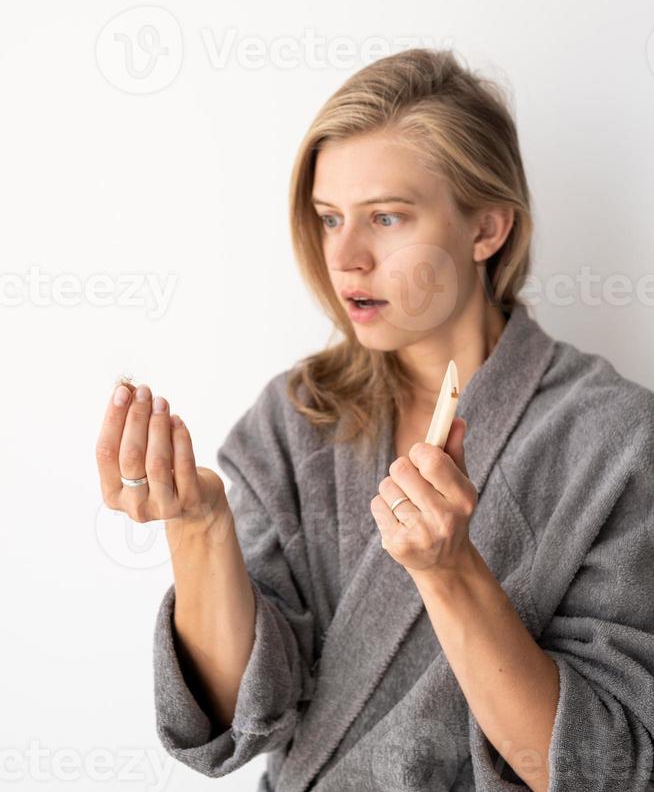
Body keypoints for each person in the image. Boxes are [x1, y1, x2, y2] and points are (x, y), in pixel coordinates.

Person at [95, 48, 654, 792]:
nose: (347, 258)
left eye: (386, 217)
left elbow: (605, 771)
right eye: (329, 219)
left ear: (487, 229)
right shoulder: (296, 419)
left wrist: (451, 573)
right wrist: (199, 528)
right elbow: (235, 719)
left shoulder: (615, 441)